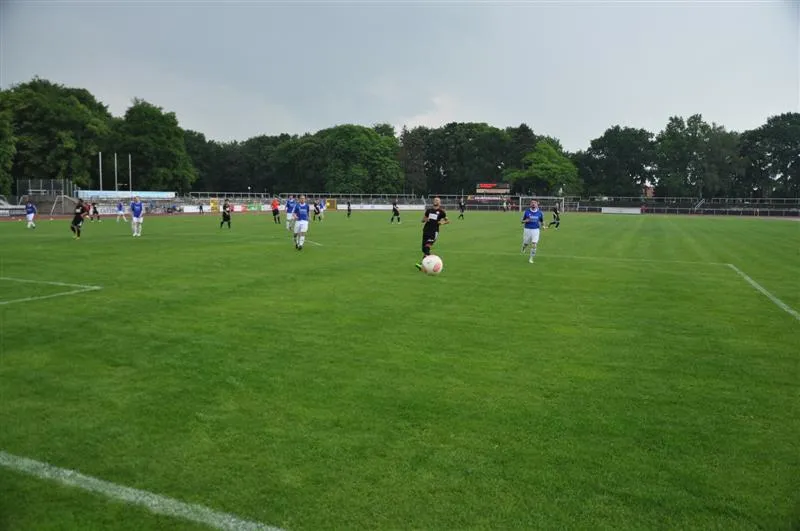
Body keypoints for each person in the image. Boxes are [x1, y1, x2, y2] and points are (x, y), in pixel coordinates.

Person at [415, 196, 449, 271]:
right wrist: (425, 219)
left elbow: (447, 221)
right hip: (426, 231)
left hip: (434, 232)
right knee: (424, 249)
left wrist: (441, 223)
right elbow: (422, 220)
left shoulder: (442, 212)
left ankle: (425, 264)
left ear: (439, 203)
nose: (436, 201)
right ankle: (427, 264)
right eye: (435, 200)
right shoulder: (429, 210)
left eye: (437, 200)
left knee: (427, 246)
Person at [521, 199, 545, 263]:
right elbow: (522, 221)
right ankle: (524, 247)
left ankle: (531, 258)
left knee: (534, 244)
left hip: (536, 230)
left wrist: (543, 226)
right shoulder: (526, 212)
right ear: (530, 204)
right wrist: (525, 221)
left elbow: (542, 221)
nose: (533, 204)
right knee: (526, 243)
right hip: (527, 230)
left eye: (535, 203)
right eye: (532, 203)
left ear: (537, 204)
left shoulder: (540, 213)